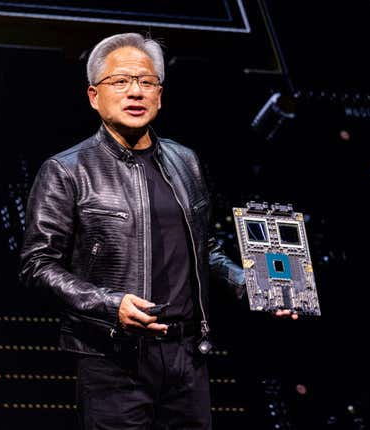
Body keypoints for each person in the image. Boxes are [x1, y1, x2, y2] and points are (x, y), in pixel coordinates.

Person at [19, 32, 294, 430]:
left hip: (187, 356)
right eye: (121, 81)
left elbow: (205, 249)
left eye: (146, 82)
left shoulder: (187, 162)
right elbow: (37, 265)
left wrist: (251, 284)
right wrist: (109, 304)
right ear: (94, 96)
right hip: (112, 359)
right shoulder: (66, 170)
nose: (135, 92)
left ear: (160, 96)